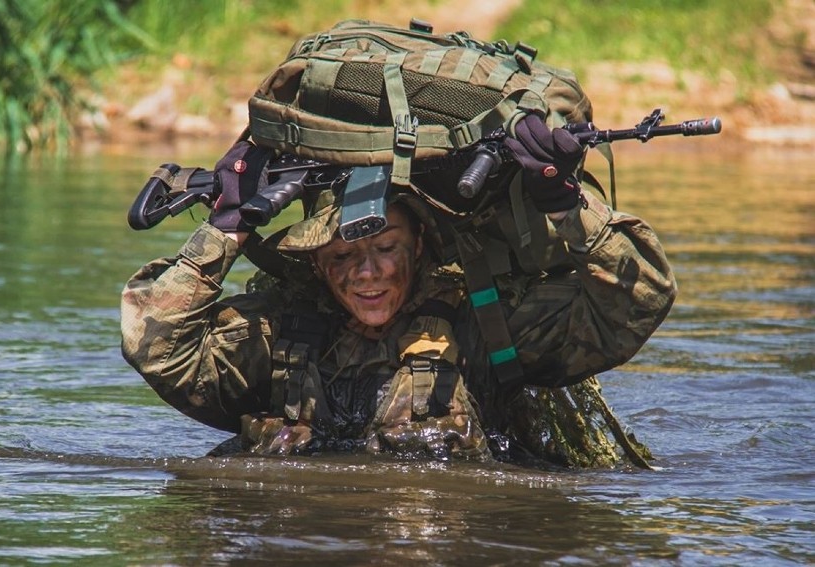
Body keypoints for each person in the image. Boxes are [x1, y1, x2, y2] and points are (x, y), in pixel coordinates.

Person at [121, 112, 677, 465]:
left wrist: (567, 204)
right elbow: (155, 346)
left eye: (385, 249)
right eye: (342, 256)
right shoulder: (281, 328)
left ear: (418, 246)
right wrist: (226, 230)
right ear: (315, 262)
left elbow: (637, 300)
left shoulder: (482, 321)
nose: (366, 274)